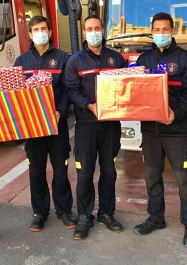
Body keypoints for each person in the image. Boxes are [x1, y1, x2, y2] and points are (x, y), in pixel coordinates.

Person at [133, 12, 187, 247]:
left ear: (172, 31)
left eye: (165, 29)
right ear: (151, 32)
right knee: (152, 177)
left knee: (185, 180)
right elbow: (134, 92)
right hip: (150, 132)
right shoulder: (142, 61)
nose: (161, 34)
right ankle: (156, 218)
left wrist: (176, 113)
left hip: (177, 131)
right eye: (157, 29)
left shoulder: (186, 59)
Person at [64, 16, 126, 240]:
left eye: (97, 28)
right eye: (89, 29)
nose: (94, 32)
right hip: (86, 126)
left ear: (103, 30)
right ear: (83, 33)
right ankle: (84, 216)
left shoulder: (116, 59)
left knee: (109, 171)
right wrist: (89, 105)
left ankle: (107, 213)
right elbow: (71, 91)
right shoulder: (75, 61)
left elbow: (126, 87)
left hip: (111, 125)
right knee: (84, 173)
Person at [13, 15, 76, 232]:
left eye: (43, 28)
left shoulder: (63, 58)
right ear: (30, 34)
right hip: (32, 129)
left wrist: (60, 111)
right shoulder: (21, 62)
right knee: (36, 172)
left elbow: (69, 90)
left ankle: (64, 210)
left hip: (56, 126)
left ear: (50, 32)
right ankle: (40, 212)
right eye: (36, 29)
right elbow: (15, 95)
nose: (40, 32)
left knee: (61, 170)